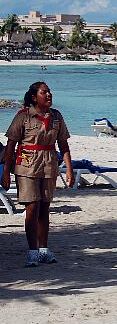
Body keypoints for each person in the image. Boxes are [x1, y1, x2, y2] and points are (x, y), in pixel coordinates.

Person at [1, 82, 75, 267]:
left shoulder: (56, 117)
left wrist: (69, 169)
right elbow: (10, 145)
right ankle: (32, 251)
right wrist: (5, 173)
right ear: (34, 97)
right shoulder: (23, 117)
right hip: (26, 166)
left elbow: (64, 145)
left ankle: (44, 249)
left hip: (48, 165)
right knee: (32, 207)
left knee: (44, 207)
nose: (49, 95)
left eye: (49, 91)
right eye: (44, 92)